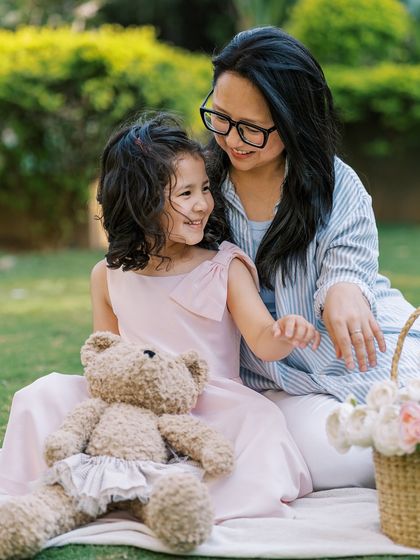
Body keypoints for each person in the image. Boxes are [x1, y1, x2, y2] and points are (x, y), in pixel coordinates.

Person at [0, 113, 318, 519]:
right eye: (185, 194)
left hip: (208, 403)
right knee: (40, 395)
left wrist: (285, 331)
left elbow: (262, 339)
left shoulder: (224, 266)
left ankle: (177, 502)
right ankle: (51, 488)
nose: (203, 203)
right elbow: (105, 360)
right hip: (129, 406)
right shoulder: (108, 276)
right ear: (141, 201)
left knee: (261, 422)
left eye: (205, 188)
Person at [199, 25, 420, 490]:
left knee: (400, 414)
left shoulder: (336, 184)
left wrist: (343, 290)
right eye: (219, 117)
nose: (232, 139)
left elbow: (348, 258)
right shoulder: (199, 189)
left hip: (356, 351)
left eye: (253, 129)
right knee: (340, 456)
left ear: (294, 120)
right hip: (269, 375)